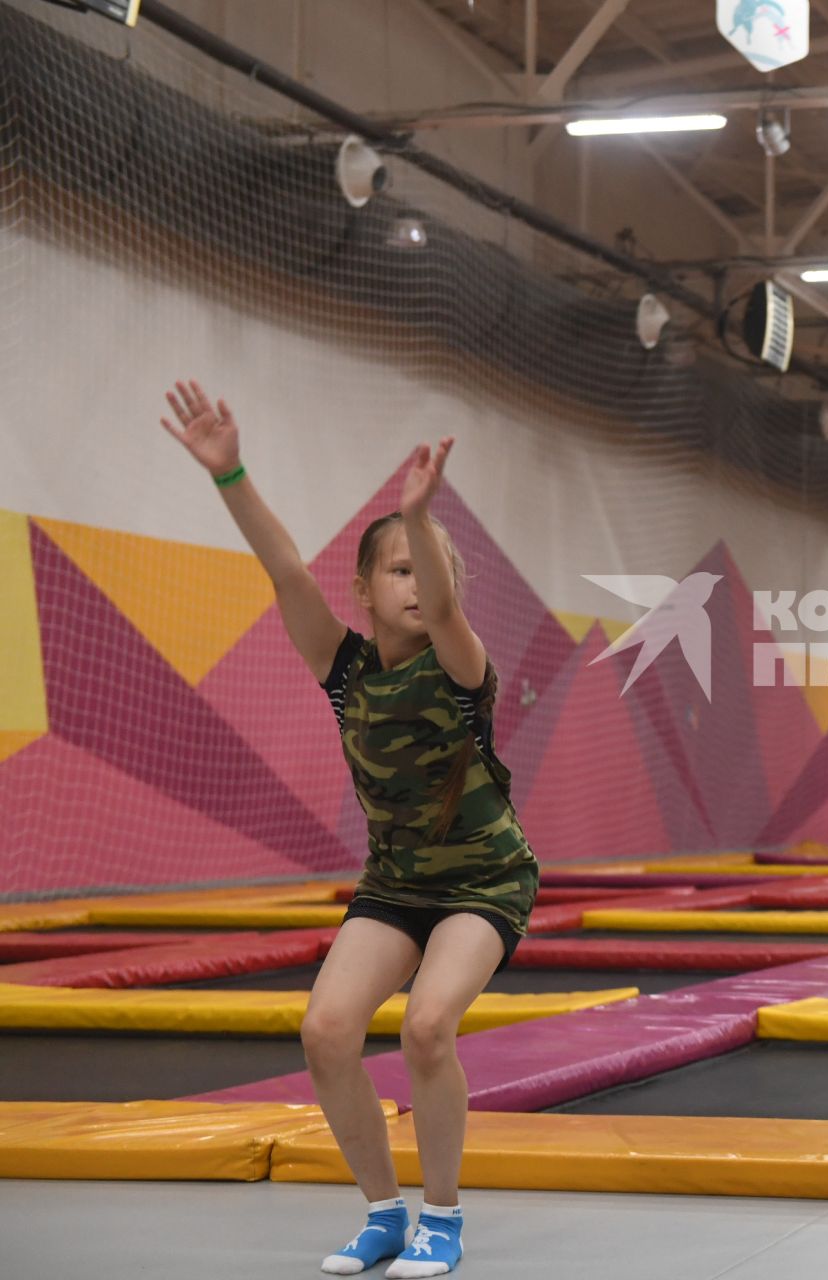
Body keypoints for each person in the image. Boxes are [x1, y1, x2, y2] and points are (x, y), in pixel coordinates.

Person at [161, 382, 537, 1278]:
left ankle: (441, 1218)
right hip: (396, 884)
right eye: (398, 568)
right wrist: (232, 475)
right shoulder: (343, 670)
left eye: (430, 567)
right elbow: (286, 568)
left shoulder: (460, 667)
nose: (418, 584)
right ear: (364, 589)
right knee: (327, 1031)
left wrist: (418, 512)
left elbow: (446, 609)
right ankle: (382, 1212)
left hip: (484, 881)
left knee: (427, 1028)